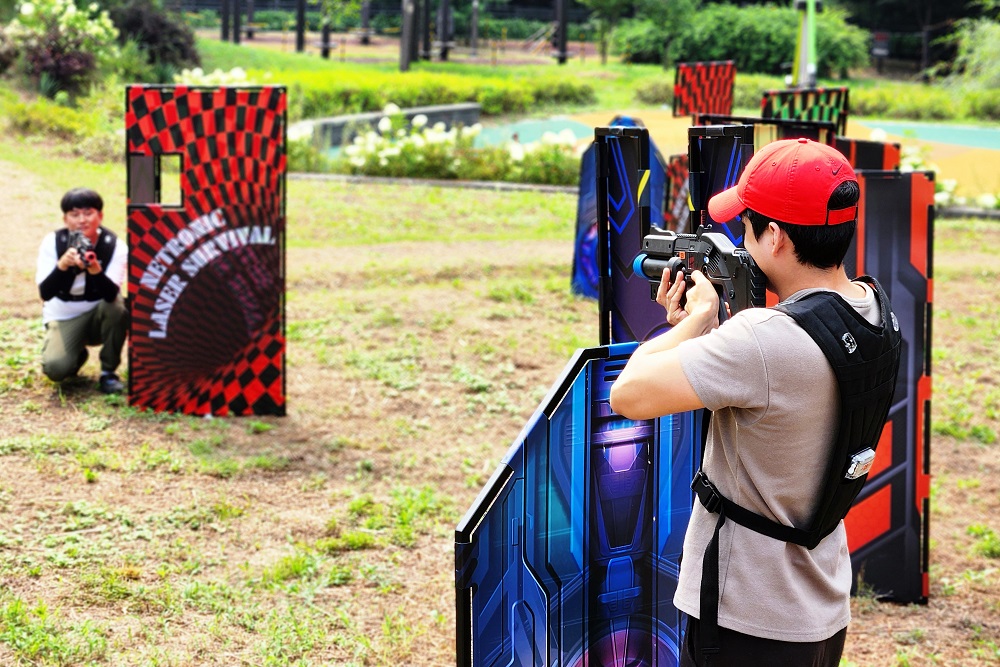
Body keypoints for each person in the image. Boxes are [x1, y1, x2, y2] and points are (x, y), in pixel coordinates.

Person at [609, 138, 899, 666]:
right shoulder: (874, 310)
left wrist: (696, 321)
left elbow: (627, 394)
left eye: (746, 227)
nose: (739, 239)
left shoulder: (763, 340)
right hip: (819, 602)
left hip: (745, 615)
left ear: (777, 236)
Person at [36, 188, 127, 394]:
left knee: (117, 306)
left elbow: (111, 294)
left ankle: (108, 372)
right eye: (74, 214)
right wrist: (63, 266)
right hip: (63, 316)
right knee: (56, 370)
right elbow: (45, 293)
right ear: (65, 218)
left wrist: (95, 271)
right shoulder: (53, 242)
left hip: (98, 315)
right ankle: (75, 355)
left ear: (100, 216)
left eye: (88, 213)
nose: (82, 220)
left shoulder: (114, 246)